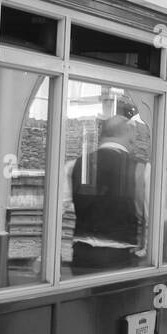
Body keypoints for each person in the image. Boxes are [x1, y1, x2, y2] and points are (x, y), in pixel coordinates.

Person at [70, 115, 145, 273]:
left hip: (82, 258)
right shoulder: (140, 169)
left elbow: (56, 209)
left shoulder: (75, 165)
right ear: (129, 132)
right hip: (120, 258)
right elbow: (153, 217)